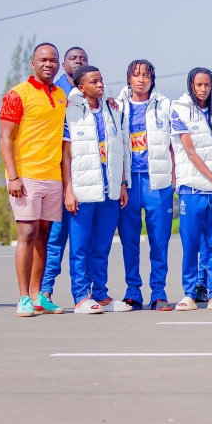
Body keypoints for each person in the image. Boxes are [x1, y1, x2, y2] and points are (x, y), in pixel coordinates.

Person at [0, 43, 69, 317]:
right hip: (25, 176)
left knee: (44, 236)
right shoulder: (18, 94)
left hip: (52, 176)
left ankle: (39, 295)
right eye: (43, 60)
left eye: (53, 60)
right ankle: (23, 298)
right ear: (33, 63)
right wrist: (13, 176)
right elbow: (5, 138)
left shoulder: (61, 95)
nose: (48, 64)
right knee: (27, 233)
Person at [61, 65, 131, 314]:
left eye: (101, 80)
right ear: (81, 87)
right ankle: (80, 296)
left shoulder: (111, 110)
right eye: (94, 82)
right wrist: (69, 191)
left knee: (102, 247)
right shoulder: (70, 112)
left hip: (109, 191)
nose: (100, 85)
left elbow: (120, 150)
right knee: (80, 247)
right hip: (82, 191)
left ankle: (100, 294)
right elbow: (66, 155)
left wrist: (122, 184)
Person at [115, 60, 176, 311]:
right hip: (128, 182)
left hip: (157, 181)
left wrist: (174, 176)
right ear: (128, 79)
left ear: (153, 79)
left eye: (146, 75)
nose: (141, 79)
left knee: (159, 240)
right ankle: (132, 292)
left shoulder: (165, 106)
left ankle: (159, 293)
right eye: (135, 75)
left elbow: (175, 142)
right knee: (129, 240)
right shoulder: (116, 107)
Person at [171, 68, 212, 311]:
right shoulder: (179, 110)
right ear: (191, 85)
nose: (203, 89)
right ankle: (188, 293)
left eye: (207, 85)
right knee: (192, 244)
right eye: (199, 84)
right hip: (193, 190)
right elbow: (190, 152)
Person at [41, 46, 89, 301]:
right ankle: (45, 291)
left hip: (85, 179)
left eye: (82, 58)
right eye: (73, 58)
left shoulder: (91, 94)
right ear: (64, 65)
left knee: (83, 245)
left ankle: (84, 293)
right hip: (56, 176)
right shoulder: (56, 93)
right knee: (55, 240)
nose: (78, 61)